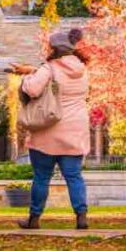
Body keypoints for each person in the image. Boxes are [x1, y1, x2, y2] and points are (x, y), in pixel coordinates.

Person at [12, 29, 91, 230]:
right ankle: (81, 216)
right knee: (74, 176)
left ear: (54, 49)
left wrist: (26, 78)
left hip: (48, 130)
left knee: (41, 177)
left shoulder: (49, 68)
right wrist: (34, 70)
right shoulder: (82, 69)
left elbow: (32, 89)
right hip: (75, 130)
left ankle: (34, 218)